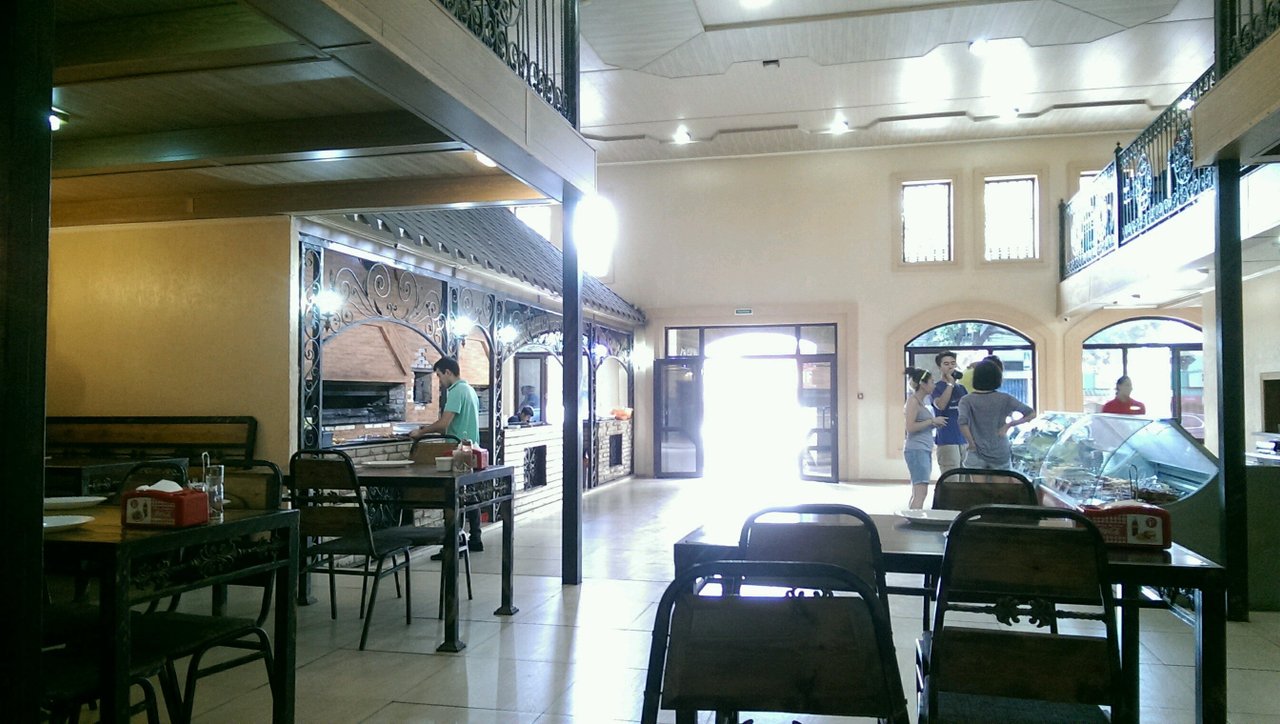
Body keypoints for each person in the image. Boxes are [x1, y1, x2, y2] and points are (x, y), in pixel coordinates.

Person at [408, 356, 484, 552]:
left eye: (439, 376)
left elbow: (444, 424)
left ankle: (452, 545)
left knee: (453, 498)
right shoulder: (470, 390)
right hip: (471, 448)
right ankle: (475, 538)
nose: (440, 381)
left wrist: (421, 432)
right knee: (470, 495)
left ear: (448, 372)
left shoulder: (457, 391)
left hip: (458, 450)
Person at [958, 360, 1036, 470]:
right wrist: (1009, 425)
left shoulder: (966, 400)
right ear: (997, 378)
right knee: (1000, 481)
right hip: (1000, 449)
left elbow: (962, 423)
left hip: (975, 450)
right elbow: (1031, 413)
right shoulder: (1005, 398)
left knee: (977, 481)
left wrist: (971, 443)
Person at [904, 367, 948, 509]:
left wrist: (933, 424)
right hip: (917, 449)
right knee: (921, 492)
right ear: (923, 384)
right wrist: (931, 421)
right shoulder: (913, 401)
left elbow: (921, 425)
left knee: (918, 491)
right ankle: (914, 519)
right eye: (932, 382)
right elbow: (910, 427)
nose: (934, 385)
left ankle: (911, 517)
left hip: (923, 448)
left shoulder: (922, 402)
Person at [930, 350, 968, 475]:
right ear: (939, 367)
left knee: (965, 478)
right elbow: (940, 405)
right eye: (946, 364)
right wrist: (950, 384)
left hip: (964, 438)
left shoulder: (961, 388)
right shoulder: (936, 387)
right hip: (947, 438)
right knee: (951, 477)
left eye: (953, 363)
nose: (950, 367)